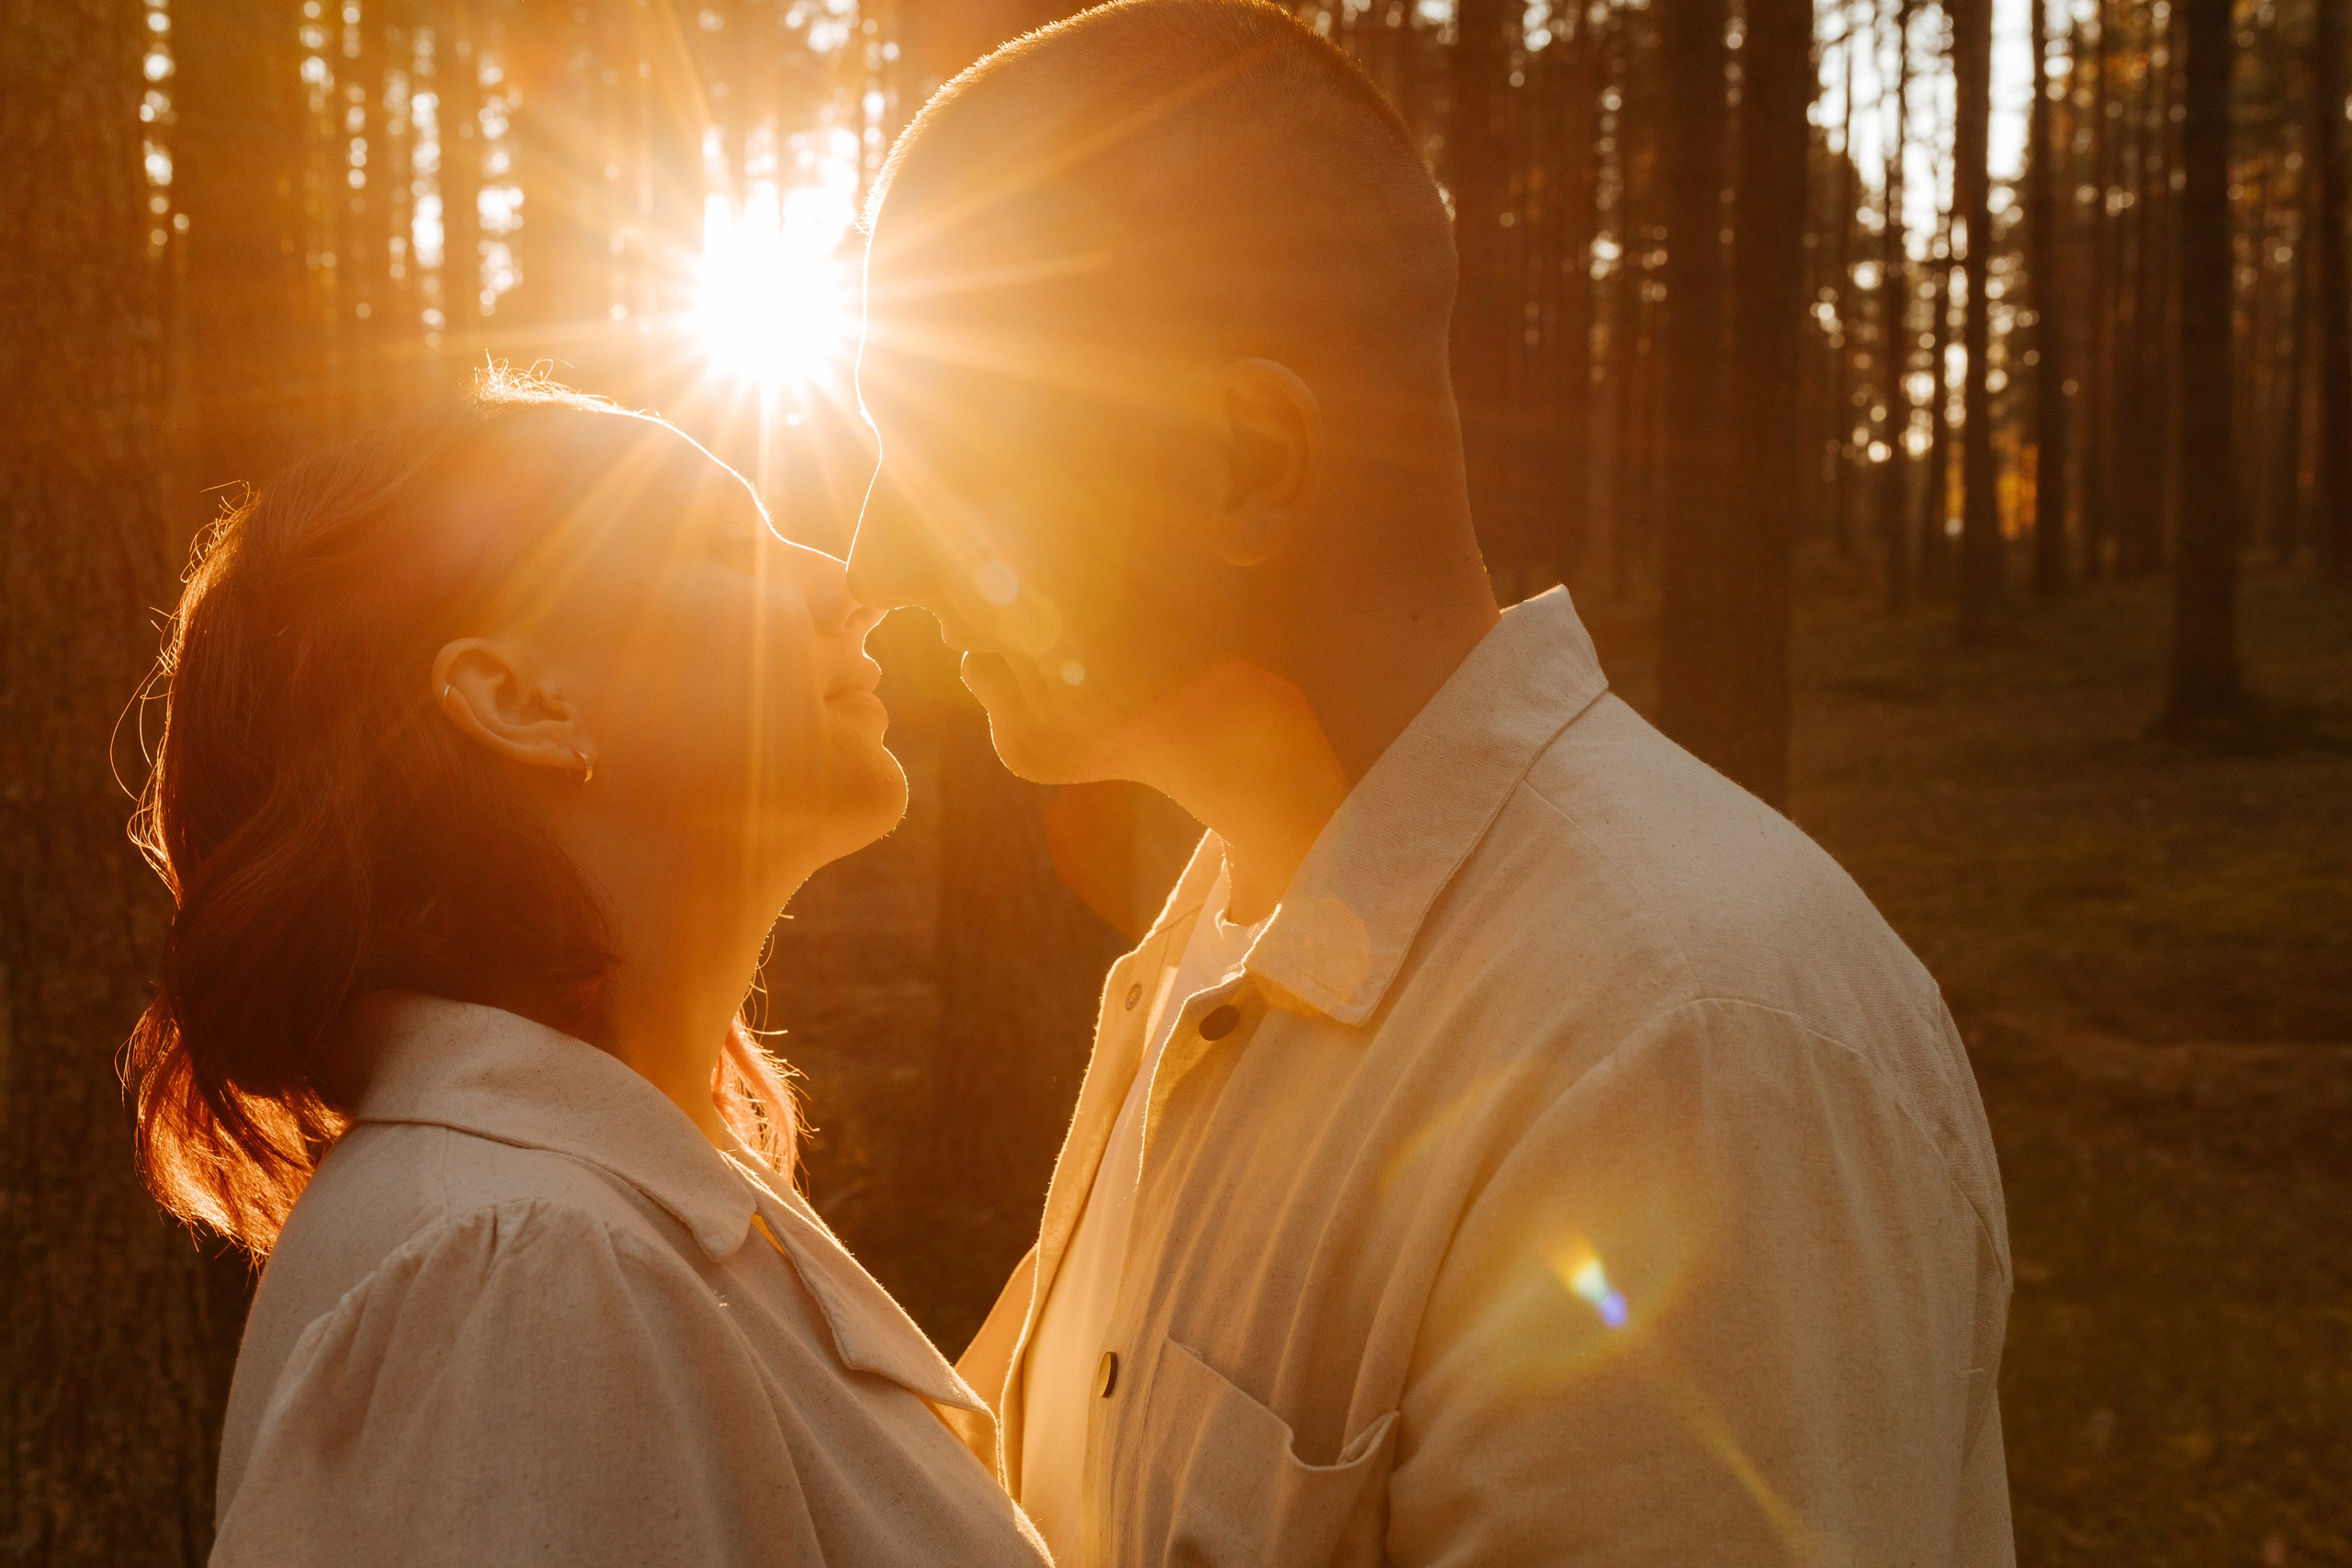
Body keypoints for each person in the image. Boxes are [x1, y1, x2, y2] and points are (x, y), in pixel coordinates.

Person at [847, 3, 2015, 1564]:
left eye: (946, 457)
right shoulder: (1218, 948)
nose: (877, 561)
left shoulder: (1675, 1051)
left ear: (1244, 463)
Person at [128, 371, 1049, 1565]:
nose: (850, 586)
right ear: (520, 698)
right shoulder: (522, 1272)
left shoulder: (619, 1216)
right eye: (727, 543)